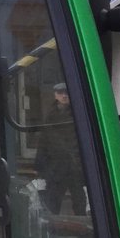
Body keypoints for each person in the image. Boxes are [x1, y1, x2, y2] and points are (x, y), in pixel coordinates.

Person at [36, 82, 87, 215]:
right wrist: (41, 165)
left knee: (79, 201)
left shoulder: (79, 114)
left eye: (66, 93)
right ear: (55, 95)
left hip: (74, 167)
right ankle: (52, 232)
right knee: (53, 202)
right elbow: (44, 142)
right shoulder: (50, 116)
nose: (64, 96)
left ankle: (83, 233)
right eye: (60, 93)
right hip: (56, 167)